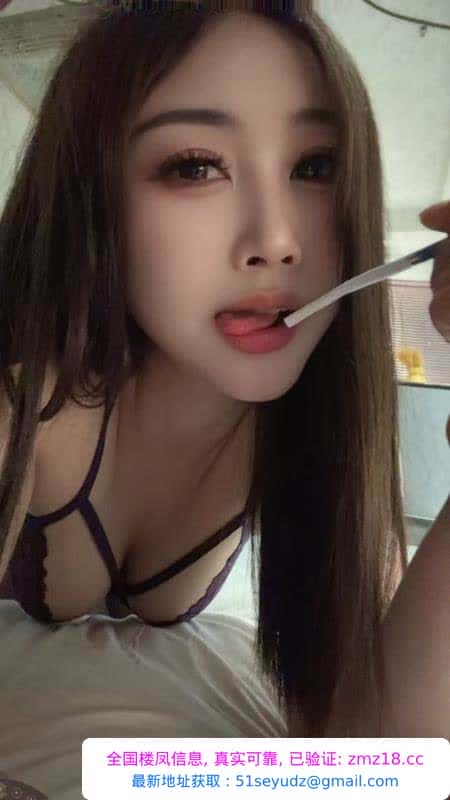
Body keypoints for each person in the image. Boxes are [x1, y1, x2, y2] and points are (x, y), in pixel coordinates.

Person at [0, 0, 448, 739]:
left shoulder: (332, 440)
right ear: (91, 197)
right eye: (195, 166)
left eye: (315, 166)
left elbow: (383, 757)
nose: (276, 240)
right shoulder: (23, 409)